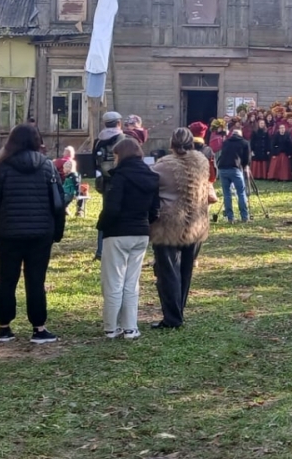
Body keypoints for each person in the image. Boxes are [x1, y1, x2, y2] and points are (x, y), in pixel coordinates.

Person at [0, 123, 66, 345]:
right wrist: (57, 232)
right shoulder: (47, 167)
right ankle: (39, 328)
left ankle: (4, 328)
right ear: (37, 141)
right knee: (36, 281)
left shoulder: (3, 168)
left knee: (6, 280)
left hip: (8, 233)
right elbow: (58, 203)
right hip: (41, 234)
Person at [150, 128, 215, 330]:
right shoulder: (203, 162)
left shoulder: (162, 166)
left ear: (171, 143)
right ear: (192, 143)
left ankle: (172, 317)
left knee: (168, 271)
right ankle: (180, 310)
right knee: (186, 270)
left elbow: (149, 185)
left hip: (169, 223)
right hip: (197, 222)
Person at [96, 138, 158, 340]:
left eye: (115, 155)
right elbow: (154, 210)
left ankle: (111, 327)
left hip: (118, 233)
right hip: (141, 232)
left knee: (113, 281)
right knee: (132, 283)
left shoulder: (119, 177)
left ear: (120, 156)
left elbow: (112, 208)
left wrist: (102, 225)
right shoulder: (151, 176)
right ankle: (130, 327)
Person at [216, 128, 252, 223]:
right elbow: (247, 159)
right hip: (235, 168)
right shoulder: (244, 143)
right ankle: (244, 217)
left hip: (223, 169)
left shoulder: (226, 142)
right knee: (241, 192)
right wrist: (244, 167)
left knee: (227, 194)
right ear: (240, 135)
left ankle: (230, 218)